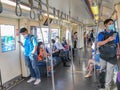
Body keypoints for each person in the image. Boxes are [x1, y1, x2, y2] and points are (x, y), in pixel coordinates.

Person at [97, 19, 119, 90]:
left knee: (110, 72)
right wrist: (108, 40)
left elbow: (117, 44)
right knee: (102, 70)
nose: (111, 25)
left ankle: (107, 87)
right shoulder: (101, 34)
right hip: (103, 55)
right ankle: (102, 85)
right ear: (105, 25)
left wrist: (118, 53)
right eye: (110, 23)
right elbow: (99, 43)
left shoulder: (115, 34)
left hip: (112, 56)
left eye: (112, 23)